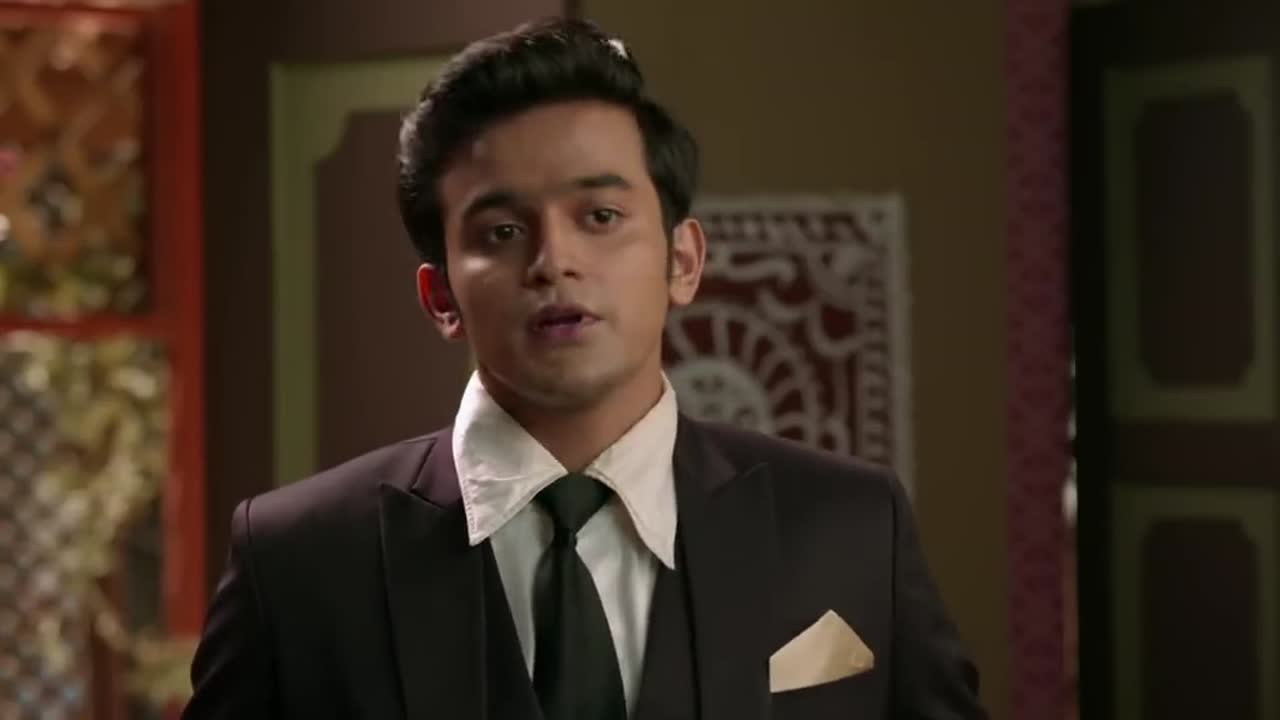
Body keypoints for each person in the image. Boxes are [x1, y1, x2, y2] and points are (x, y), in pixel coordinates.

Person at [182, 17, 987, 720]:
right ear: (440, 297)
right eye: (502, 232)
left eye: (600, 216)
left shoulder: (849, 528)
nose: (554, 260)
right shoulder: (298, 564)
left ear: (683, 260)